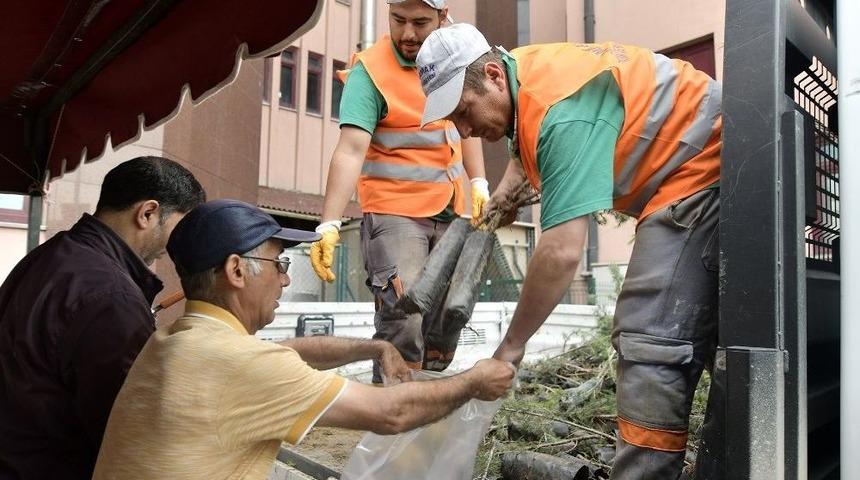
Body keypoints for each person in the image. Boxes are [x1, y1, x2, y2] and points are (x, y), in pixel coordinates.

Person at [416, 24, 723, 480]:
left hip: (706, 164)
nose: (463, 129)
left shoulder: (560, 111)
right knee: (715, 339)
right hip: (697, 162)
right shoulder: (527, 76)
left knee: (650, 336)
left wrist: (510, 349)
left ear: (494, 76)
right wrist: (502, 200)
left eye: (463, 110)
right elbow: (527, 144)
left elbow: (560, 252)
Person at [92, 199, 515, 479]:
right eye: (279, 263)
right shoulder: (242, 366)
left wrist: (376, 346)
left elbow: (288, 352)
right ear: (237, 271)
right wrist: (474, 382)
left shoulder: (174, 342)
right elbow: (391, 414)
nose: (287, 277)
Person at [310, 0, 490, 383]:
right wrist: (328, 223)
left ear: (443, 17)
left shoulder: (458, 54)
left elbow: (468, 122)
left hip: (452, 210)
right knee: (405, 316)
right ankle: (393, 420)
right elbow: (350, 151)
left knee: (446, 324)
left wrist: (478, 182)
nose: (408, 34)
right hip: (395, 213)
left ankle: (427, 413)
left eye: (420, 22)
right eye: (398, 20)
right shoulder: (371, 72)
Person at [0, 156, 206, 479]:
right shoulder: (112, 298)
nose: (179, 244)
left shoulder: (50, 255)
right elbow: (129, 432)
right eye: (181, 226)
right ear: (148, 213)